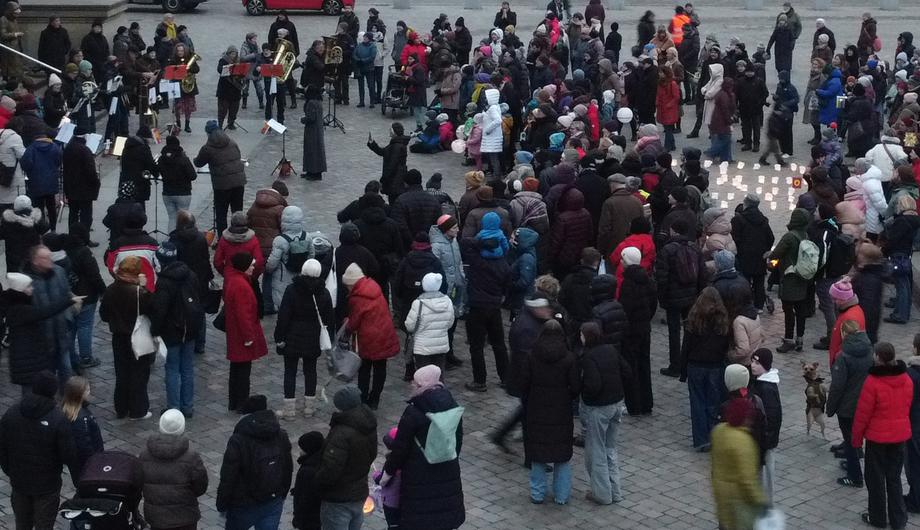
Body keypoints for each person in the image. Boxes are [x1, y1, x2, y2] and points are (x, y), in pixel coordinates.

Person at [381, 365, 465, 529]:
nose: (412, 385)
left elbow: (400, 448)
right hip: (448, 471)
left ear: (422, 386)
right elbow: (458, 440)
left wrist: (388, 472)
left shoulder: (414, 412)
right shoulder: (453, 406)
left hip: (418, 476)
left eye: (415, 383)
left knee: (420, 519)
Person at [0, 371, 77, 530]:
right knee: (44, 525)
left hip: (19, 483)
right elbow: (68, 455)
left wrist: (11, 471)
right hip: (47, 486)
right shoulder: (58, 419)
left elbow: (3, 449)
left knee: (22, 524)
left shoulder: (11, 413)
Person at [852, 342, 913, 529]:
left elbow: (863, 414)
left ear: (879, 357)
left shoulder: (873, 382)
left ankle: (877, 517)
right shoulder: (907, 380)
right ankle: (899, 519)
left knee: (875, 479)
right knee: (894, 479)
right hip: (900, 437)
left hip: (877, 439)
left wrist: (856, 439)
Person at [521, 320, 579, 505]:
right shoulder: (569, 358)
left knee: (538, 451)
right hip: (561, 411)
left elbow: (524, 383)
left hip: (536, 410)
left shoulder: (531, 356)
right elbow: (576, 387)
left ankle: (537, 494)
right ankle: (562, 495)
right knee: (562, 454)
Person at [216, 395, 293, 528]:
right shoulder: (281, 435)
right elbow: (287, 468)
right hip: (272, 500)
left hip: (242, 504)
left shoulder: (238, 440)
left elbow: (229, 476)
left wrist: (222, 504)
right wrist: (282, 494)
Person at [274, 259, 333, 420]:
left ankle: (289, 410)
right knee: (310, 370)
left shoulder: (292, 290)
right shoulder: (324, 293)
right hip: (313, 336)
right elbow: (328, 318)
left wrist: (279, 337)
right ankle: (309, 407)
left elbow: (283, 316)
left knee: (290, 372)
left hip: (292, 335)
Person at [579, 321, 631, 505]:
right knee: (610, 449)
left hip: (599, 409)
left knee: (597, 451)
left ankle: (602, 494)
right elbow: (627, 371)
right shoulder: (610, 349)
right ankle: (615, 491)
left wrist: (584, 395)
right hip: (617, 404)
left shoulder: (589, 357)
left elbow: (593, 385)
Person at [2, 272, 78, 394]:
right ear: (21, 291)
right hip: (28, 363)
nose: (32, 288)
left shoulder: (15, 305)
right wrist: (68, 301)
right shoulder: (21, 310)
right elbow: (45, 312)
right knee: (31, 395)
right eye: (28, 286)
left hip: (27, 360)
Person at [150, 243, 203, 418]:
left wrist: (154, 330)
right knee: (187, 367)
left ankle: (174, 407)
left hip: (172, 331)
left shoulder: (165, 282)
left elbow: (160, 310)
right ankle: (187, 406)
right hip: (190, 328)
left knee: (172, 368)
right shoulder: (191, 275)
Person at [315, 386, 378, 530]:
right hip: (359, 491)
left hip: (339, 498)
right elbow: (372, 454)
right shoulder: (368, 423)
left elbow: (330, 469)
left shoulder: (342, 433)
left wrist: (317, 482)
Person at [99, 256, 153, 420]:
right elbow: (152, 310)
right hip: (138, 336)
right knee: (139, 373)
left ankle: (121, 408)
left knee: (122, 373)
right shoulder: (140, 293)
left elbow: (104, 315)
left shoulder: (111, 289)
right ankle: (138, 409)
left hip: (119, 337)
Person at [679, 287, 732, 452]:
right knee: (713, 403)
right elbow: (726, 346)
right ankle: (714, 435)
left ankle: (701, 440)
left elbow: (686, 347)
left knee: (697, 403)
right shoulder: (723, 320)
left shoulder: (694, 320)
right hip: (715, 367)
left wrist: (682, 371)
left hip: (696, 366)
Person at [139, 409, 209, 530]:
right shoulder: (192, 457)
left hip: (156, 517)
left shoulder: (144, 455)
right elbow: (200, 487)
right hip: (185, 518)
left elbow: (139, 483)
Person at [461, 221, 511, 392]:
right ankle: (505, 377)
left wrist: (480, 242)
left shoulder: (477, 260)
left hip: (477, 306)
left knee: (476, 346)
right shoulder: (503, 264)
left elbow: (465, 243)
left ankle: (480, 380)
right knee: (499, 343)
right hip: (494, 306)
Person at [342, 263, 400, 409]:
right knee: (380, 368)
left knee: (364, 369)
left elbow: (354, 323)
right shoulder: (374, 288)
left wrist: (345, 325)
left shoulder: (357, 298)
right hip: (384, 333)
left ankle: (363, 398)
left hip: (368, 338)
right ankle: (375, 399)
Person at [657, 220, 707, 378]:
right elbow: (702, 273)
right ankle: (689, 360)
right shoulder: (695, 248)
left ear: (673, 231)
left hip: (673, 296)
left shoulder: (667, 250)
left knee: (674, 331)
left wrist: (662, 297)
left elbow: (662, 277)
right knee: (690, 329)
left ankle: (675, 365)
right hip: (691, 296)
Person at [827, 320, 874, 488]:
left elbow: (838, 386)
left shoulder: (843, 356)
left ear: (844, 334)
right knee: (856, 438)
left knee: (850, 440)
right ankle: (853, 465)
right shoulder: (870, 350)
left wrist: (830, 407)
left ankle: (855, 476)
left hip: (847, 406)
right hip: (865, 402)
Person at [710, 396, 768, 530]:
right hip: (739, 501)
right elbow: (747, 480)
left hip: (721, 496)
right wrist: (761, 501)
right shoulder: (743, 442)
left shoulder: (719, 431)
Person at [26, 245, 79, 385]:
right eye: (46, 257)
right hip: (43, 337)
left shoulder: (59, 272)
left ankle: (67, 403)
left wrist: (69, 317)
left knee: (66, 371)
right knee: (47, 375)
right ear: (35, 261)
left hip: (61, 332)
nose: (50, 260)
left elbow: (66, 293)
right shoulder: (27, 281)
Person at [223, 252, 268, 413]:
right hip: (242, 336)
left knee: (236, 369)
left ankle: (234, 402)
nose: (253, 268)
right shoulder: (241, 285)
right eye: (250, 266)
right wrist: (249, 337)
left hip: (235, 334)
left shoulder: (235, 281)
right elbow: (244, 314)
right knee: (242, 373)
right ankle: (242, 403)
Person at [618, 247, 658, 415]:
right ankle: (646, 402)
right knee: (644, 364)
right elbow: (653, 304)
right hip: (644, 329)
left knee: (631, 366)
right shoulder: (647, 279)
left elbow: (625, 309)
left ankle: (634, 404)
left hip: (631, 331)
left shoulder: (628, 283)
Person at [769, 208, 814, 353]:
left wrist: (770, 257)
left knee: (788, 311)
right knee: (801, 310)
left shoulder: (789, 237)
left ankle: (789, 340)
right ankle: (800, 338)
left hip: (789, 278)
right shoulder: (805, 235)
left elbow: (776, 253)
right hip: (803, 277)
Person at [193, 122, 247, 236]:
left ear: (208, 133)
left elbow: (198, 162)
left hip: (222, 185)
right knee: (237, 211)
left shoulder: (207, 148)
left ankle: (223, 239)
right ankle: (239, 235)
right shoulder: (232, 142)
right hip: (238, 182)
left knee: (221, 214)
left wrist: (194, 159)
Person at [731, 194, 775, 311]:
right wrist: (765, 249)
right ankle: (759, 306)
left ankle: (746, 304)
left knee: (744, 281)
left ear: (745, 204)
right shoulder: (763, 220)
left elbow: (734, 239)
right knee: (759, 281)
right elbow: (771, 237)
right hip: (759, 256)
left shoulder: (738, 220)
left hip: (744, 256)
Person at [265, 205, 312, 312]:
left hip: (282, 277)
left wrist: (268, 270)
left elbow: (272, 263)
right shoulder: (307, 237)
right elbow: (311, 256)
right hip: (300, 275)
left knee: (283, 303)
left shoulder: (280, 240)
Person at [881, 194, 920, 324]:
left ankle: (900, 314)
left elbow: (893, 239)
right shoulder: (916, 220)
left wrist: (884, 251)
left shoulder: (902, 221)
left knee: (901, 285)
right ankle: (902, 310)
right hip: (907, 254)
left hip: (898, 254)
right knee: (905, 285)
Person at [60, 376, 103, 481]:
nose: (90, 392)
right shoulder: (80, 418)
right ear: (79, 394)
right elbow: (84, 444)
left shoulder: (67, 411)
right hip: (88, 462)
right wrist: (96, 459)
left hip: (78, 463)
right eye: (87, 390)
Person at [21, 131, 62, 230]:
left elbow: (26, 164)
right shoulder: (54, 147)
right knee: (51, 206)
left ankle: (41, 229)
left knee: (38, 208)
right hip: (51, 182)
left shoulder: (31, 149)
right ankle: (53, 228)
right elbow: (59, 161)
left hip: (36, 182)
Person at [157, 135, 197, 232]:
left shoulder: (162, 159)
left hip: (167, 192)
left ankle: (172, 238)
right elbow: (193, 176)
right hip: (183, 192)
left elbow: (157, 172)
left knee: (172, 218)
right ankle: (182, 238)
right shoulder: (183, 159)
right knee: (183, 218)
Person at [62, 135, 100, 235]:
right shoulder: (85, 150)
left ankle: (72, 236)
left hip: (71, 186)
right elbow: (91, 171)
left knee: (73, 213)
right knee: (86, 215)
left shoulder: (68, 149)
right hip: (84, 188)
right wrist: (96, 183)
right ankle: (84, 237)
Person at [367, 123, 410, 204]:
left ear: (394, 132)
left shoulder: (397, 146)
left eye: (391, 129)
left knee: (394, 201)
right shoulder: (396, 143)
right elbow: (384, 152)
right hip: (397, 177)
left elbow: (392, 165)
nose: (389, 131)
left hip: (396, 179)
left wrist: (383, 179)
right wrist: (372, 144)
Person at [1, 195, 43, 273]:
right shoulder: (35, 220)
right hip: (32, 257)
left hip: (13, 260)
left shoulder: (7, 221)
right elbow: (45, 227)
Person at [292, 431, 325, 530]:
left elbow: (304, 499)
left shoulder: (308, 470)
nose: (299, 450)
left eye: (301, 448)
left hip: (310, 519)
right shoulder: (323, 461)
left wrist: (297, 518)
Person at [169, 43, 200, 133]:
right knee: (177, 106)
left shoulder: (189, 58)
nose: (180, 52)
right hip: (178, 85)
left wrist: (188, 68)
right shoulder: (173, 60)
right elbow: (170, 72)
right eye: (178, 51)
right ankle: (178, 124)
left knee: (188, 107)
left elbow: (197, 69)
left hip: (188, 86)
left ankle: (187, 125)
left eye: (182, 50)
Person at [301, 85, 327, 181]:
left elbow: (311, 118)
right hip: (317, 130)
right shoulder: (318, 102)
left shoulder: (311, 103)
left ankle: (313, 173)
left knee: (312, 151)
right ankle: (310, 171)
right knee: (315, 151)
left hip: (312, 131)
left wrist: (303, 120)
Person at [353, 32, 377, 108]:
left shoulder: (373, 46)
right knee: (361, 85)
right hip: (360, 67)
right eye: (364, 37)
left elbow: (372, 57)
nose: (364, 39)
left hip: (369, 68)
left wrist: (363, 60)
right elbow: (354, 54)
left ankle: (372, 102)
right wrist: (358, 60)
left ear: (369, 39)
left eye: (366, 37)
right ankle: (361, 101)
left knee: (370, 85)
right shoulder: (360, 45)